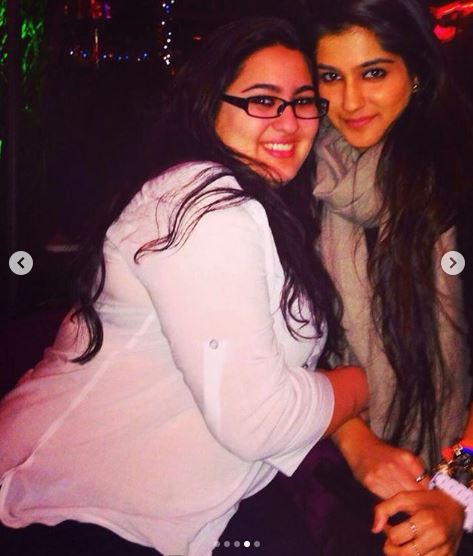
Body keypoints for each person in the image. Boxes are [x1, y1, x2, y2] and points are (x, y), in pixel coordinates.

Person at [0, 17, 369, 556]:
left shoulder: (263, 204)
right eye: (263, 100)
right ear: (209, 105)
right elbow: (258, 420)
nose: (289, 122)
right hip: (69, 508)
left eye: (303, 101)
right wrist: (363, 383)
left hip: (159, 512)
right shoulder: (206, 208)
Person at [300, 0, 472, 554]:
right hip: (325, 469)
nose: (350, 102)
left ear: (415, 72)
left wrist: (456, 491)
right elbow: (278, 345)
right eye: (331, 77)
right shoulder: (294, 177)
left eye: (373, 73)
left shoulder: (459, 176)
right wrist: (356, 442)